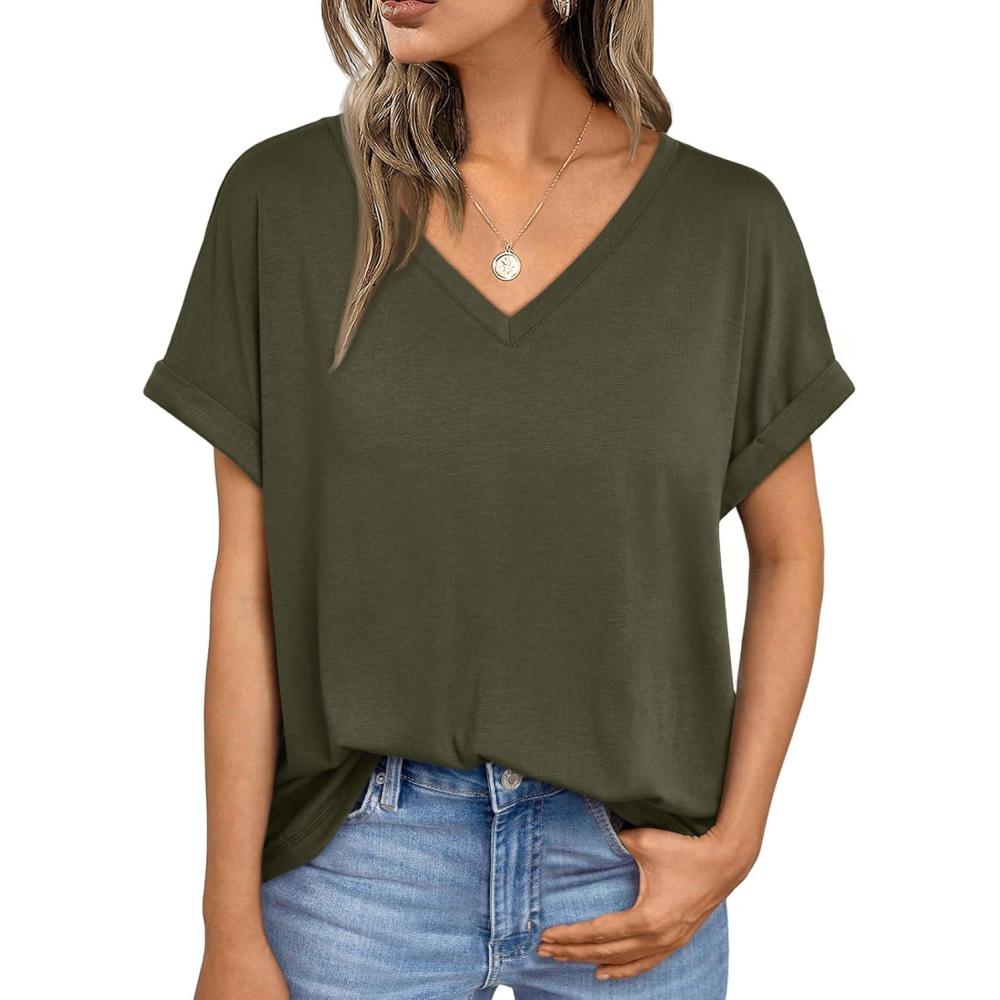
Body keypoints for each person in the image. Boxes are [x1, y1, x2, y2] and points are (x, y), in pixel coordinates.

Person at [143, 1, 854, 996]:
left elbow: (789, 553)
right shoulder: (285, 203)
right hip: (356, 867)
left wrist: (735, 842)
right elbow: (247, 590)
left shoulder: (727, 226)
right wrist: (226, 924)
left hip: (633, 866)